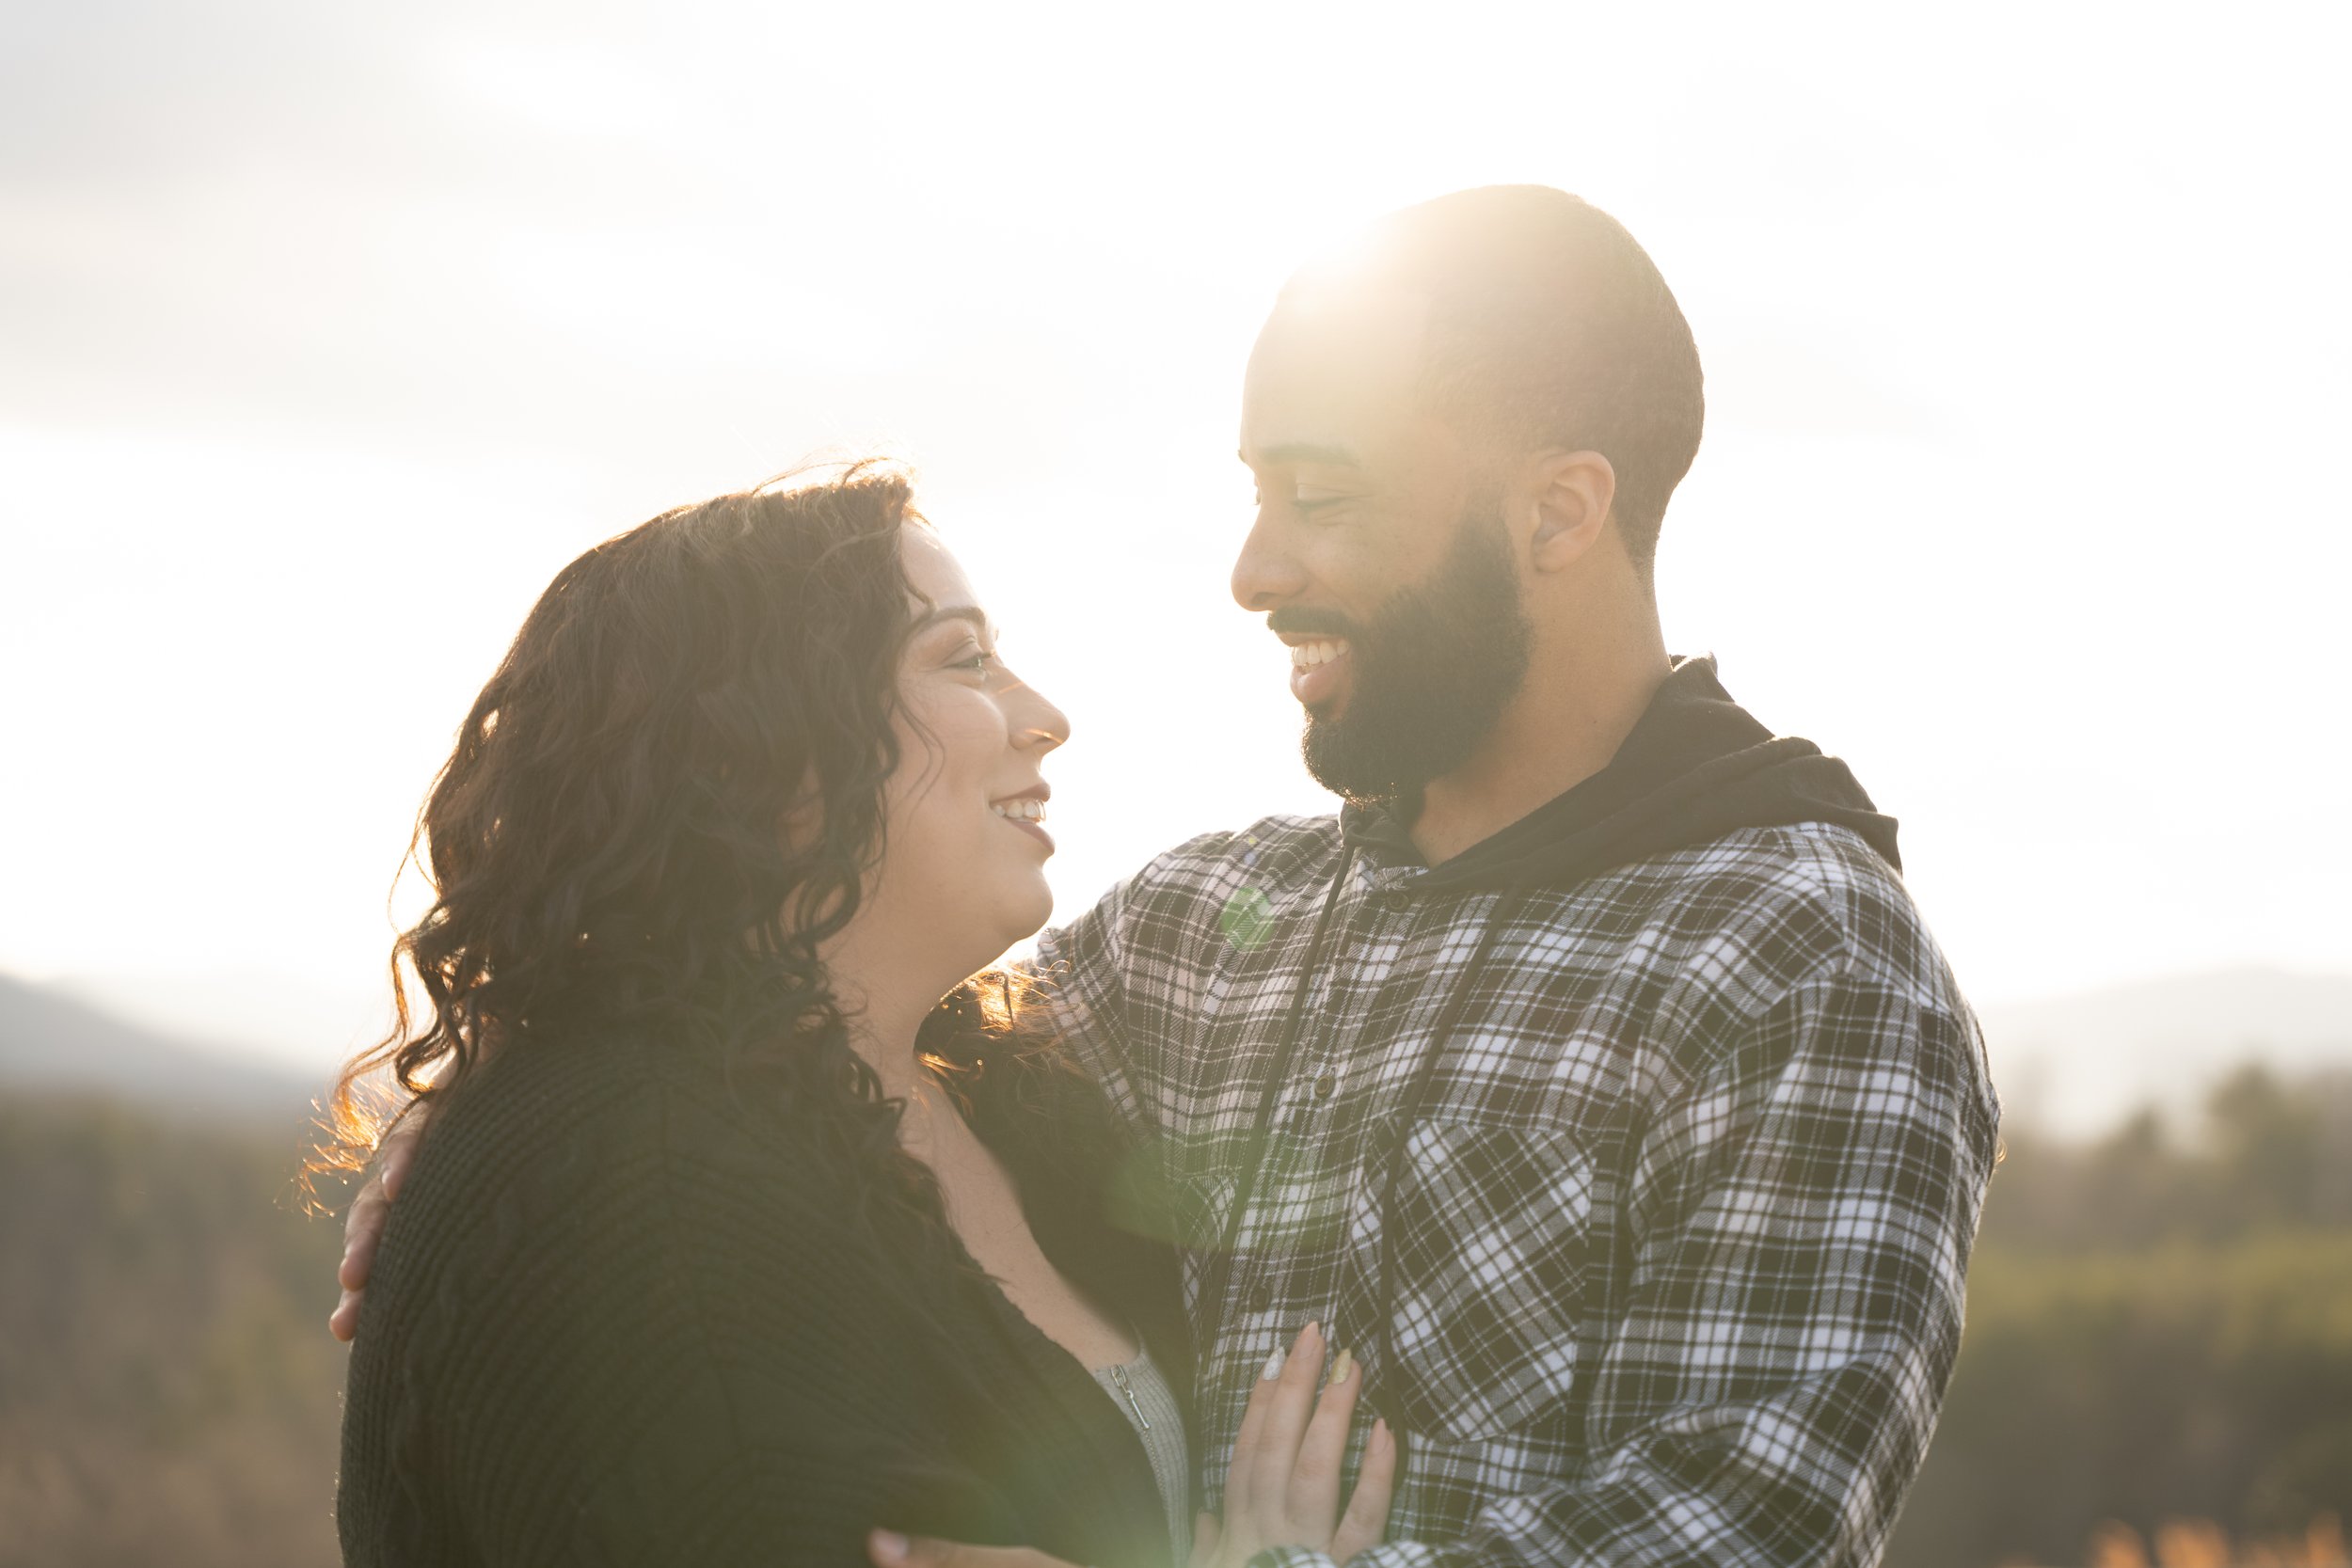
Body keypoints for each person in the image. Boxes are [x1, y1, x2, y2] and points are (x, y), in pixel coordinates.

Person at [341, 186, 2001, 1568]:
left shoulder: (1802, 955)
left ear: (1563, 513)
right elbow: (804, 1027)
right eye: (1257, 494)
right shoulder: (1206, 932)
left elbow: (1739, 1528)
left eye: (1323, 499)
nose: (1255, 571)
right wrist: (512, 1099)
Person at [324, 469, 1393, 1568]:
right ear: (761, 744)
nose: (1046, 717)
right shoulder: (645, 1199)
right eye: (961, 657)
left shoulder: (986, 1082)